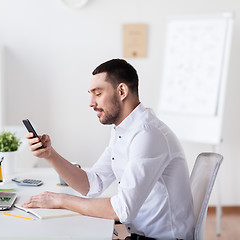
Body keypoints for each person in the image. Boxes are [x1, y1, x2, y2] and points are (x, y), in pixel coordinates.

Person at [22, 59, 195, 240]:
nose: (90, 102)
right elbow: (92, 184)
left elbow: (122, 210)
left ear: (122, 91)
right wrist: (50, 155)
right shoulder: (122, 130)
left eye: (97, 93)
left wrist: (61, 200)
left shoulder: (148, 135)